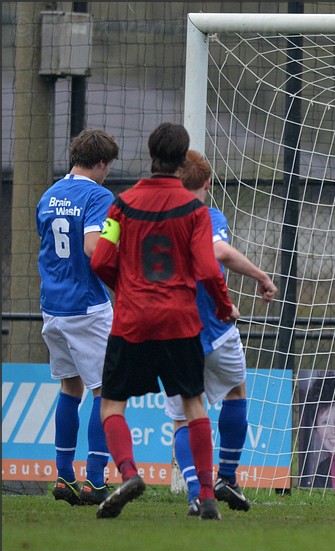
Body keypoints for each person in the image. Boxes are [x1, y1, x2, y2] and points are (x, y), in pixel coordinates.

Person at [90, 123, 239, 520]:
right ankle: (207, 494)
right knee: (195, 407)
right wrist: (224, 307)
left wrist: (126, 289)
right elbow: (208, 271)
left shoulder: (122, 203)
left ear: (150, 153)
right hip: (179, 321)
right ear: (181, 156)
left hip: (132, 321)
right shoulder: (195, 210)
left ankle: (128, 473)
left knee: (111, 406)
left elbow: (101, 259)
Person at [164, 150, 278, 516]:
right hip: (213, 328)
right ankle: (227, 475)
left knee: (184, 414)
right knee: (235, 389)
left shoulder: (157, 221)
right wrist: (260, 276)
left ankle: (198, 491)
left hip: (169, 332)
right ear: (208, 184)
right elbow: (220, 252)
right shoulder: (208, 216)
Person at [36, 129, 119, 507]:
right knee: (106, 392)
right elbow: (90, 247)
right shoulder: (98, 195)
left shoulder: (49, 194)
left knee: (71, 388)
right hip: (87, 307)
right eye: (108, 167)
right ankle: (96, 481)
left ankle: (64, 476)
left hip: (52, 306)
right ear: (101, 163)